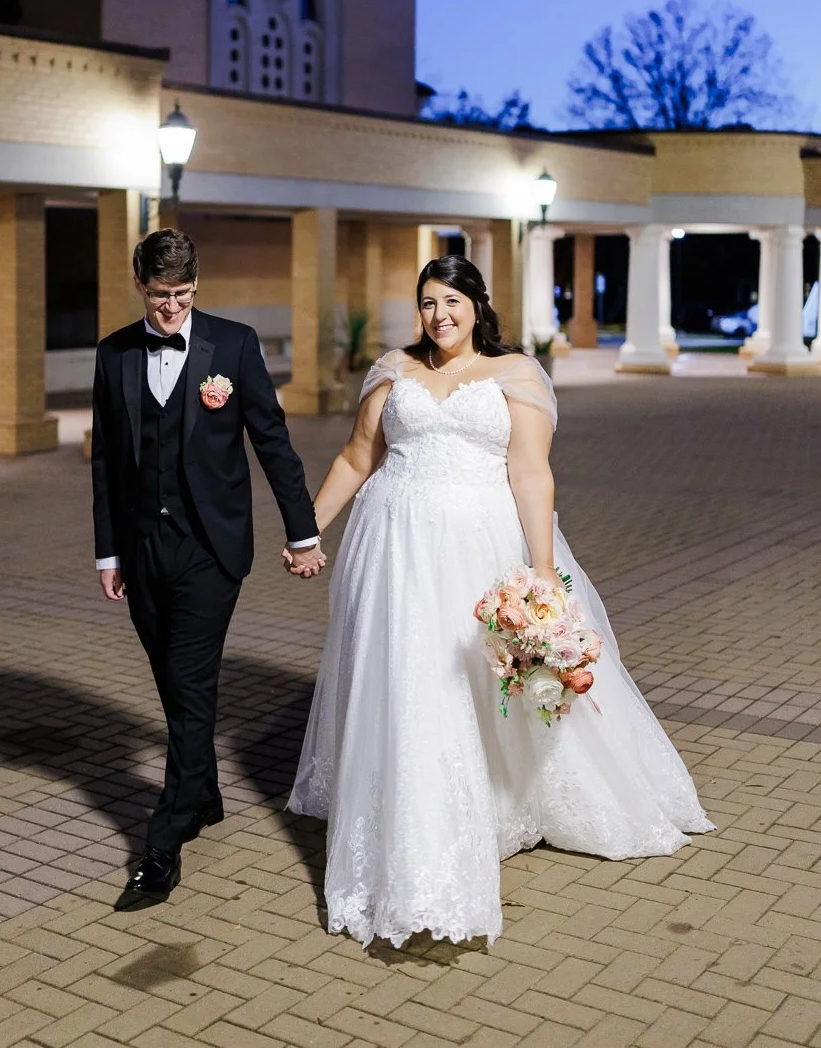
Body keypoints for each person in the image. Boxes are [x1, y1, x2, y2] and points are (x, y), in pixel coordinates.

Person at [287, 254, 713, 950]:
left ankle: (499, 797)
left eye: (452, 301)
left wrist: (543, 574)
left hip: (479, 549)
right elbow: (357, 457)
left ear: (477, 306)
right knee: (410, 678)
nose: (439, 315)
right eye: (427, 302)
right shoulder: (394, 371)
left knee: (476, 677)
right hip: (393, 546)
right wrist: (309, 530)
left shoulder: (514, 374)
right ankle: (415, 815)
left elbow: (531, 472)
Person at [92, 228, 320, 909]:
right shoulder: (113, 355)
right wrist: (107, 550)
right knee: (173, 682)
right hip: (141, 550)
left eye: (184, 295)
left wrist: (303, 532)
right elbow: (105, 462)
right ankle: (205, 794)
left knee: (189, 687)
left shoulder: (235, 345)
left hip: (211, 551)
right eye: (161, 296)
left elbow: (273, 444)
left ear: (199, 287)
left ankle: (162, 843)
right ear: (140, 285)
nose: (172, 309)